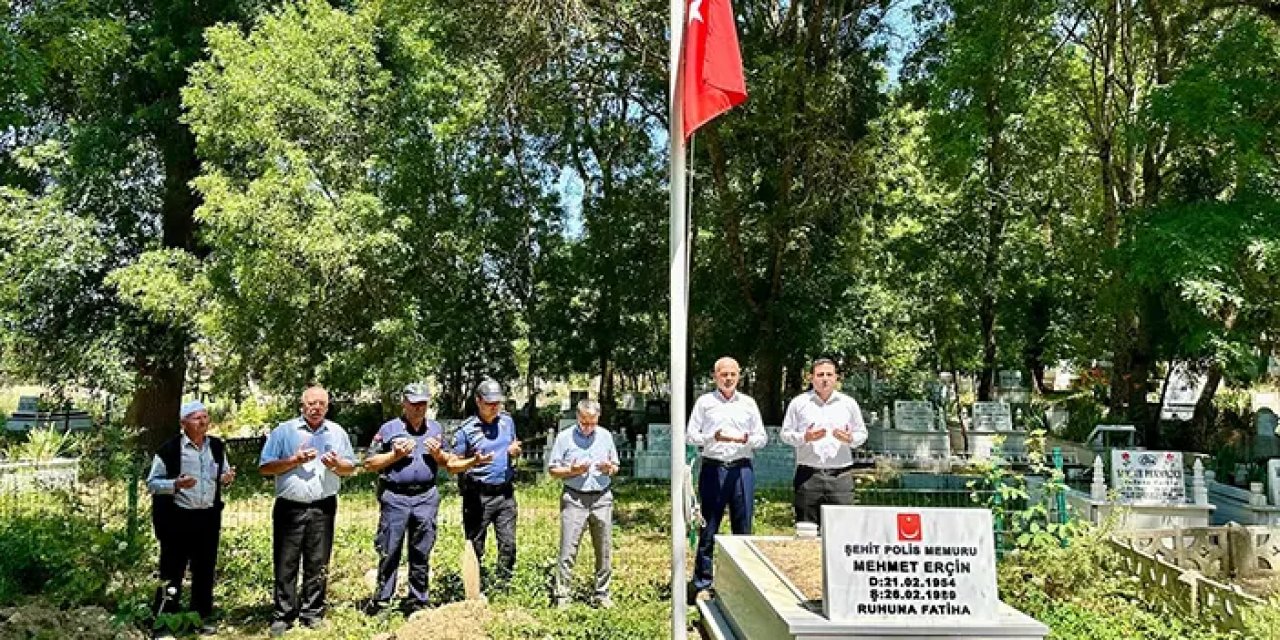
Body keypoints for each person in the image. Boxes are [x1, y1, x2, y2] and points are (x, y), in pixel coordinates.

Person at [259, 386, 357, 636]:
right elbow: (265, 467)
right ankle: (283, 615)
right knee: (285, 562)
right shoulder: (284, 431)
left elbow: (350, 468)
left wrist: (336, 465)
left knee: (317, 561)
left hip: (323, 507)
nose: (316, 408)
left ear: (327, 406)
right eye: (311, 403)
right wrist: (293, 461)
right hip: (289, 508)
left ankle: (312, 613)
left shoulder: (337, 432)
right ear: (302, 406)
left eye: (321, 404)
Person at [363, 383, 453, 615]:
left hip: (426, 496)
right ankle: (383, 603)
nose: (418, 408)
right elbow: (369, 463)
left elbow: (449, 462)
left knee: (421, 550)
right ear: (404, 403)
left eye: (422, 403)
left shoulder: (435, 429)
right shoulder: (389, 429)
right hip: (395, 497)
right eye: (413, 403)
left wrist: (437, 454)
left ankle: (418, 601)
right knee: (389, 549)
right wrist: (395, 455)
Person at [146, 400, 235, 637]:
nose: (203, 422)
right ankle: (164, 621)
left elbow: (223, 473)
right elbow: (152, 483)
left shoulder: (216, 446)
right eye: (197, 418)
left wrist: (226, 478)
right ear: (183, 423)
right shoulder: (170, 449)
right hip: (177, 519)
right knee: (172, 570)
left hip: (207, 517)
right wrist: (175, 484)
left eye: (205, 417)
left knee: (205, 569)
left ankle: (200, 617)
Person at [686, 356, 767, 600]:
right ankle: (702, 583)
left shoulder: (749, 403)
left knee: (743, 526)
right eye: (723, 374)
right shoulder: (705, 402)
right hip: (714, 468)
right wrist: (714, 437)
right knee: (709, 525)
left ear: (739, 376)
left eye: (732, 374)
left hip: (742, 468)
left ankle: (742, 584)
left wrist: (744, 439)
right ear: (715, 377)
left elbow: (761, 438)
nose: (728, 378)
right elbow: (691, 436)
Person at [449, 379, 522, 589]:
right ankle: (474, 587)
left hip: (505, 493)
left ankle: (503, 585)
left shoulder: (507, 422)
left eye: (498, 403)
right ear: (478, 401)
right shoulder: (466, 430)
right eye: (490, 403)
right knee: (475, 544)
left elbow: (513, 444)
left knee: (508, 543)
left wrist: (514, 450)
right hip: (477, 495)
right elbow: (453, 465)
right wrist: (473, 461)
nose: (494, 407)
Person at [547, 399, 620, 609]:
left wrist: (609, 468)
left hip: (602, 497)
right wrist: (573, 471)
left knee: (604, 548)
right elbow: (553, 470)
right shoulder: (564, 438)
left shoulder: (605, 436)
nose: (587, 427)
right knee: (568, 547)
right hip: (574, 498)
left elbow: (615, 465)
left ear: (598, 418)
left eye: (592, 422)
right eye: (584, 422)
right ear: (577, 417)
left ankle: (602, 593)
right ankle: (562, 595)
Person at [780, 358, 868, 527]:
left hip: (840, 476)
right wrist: (805, 437)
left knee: (843, 529)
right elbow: (786, 434)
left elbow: (862, 434)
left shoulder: (848, 404)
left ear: (836, 378)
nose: (825, 379)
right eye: (820, 375)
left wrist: (850, 439)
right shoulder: (799, 403)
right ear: (811, 378)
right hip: (809, 476)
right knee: (807, 530)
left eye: (829, 374)